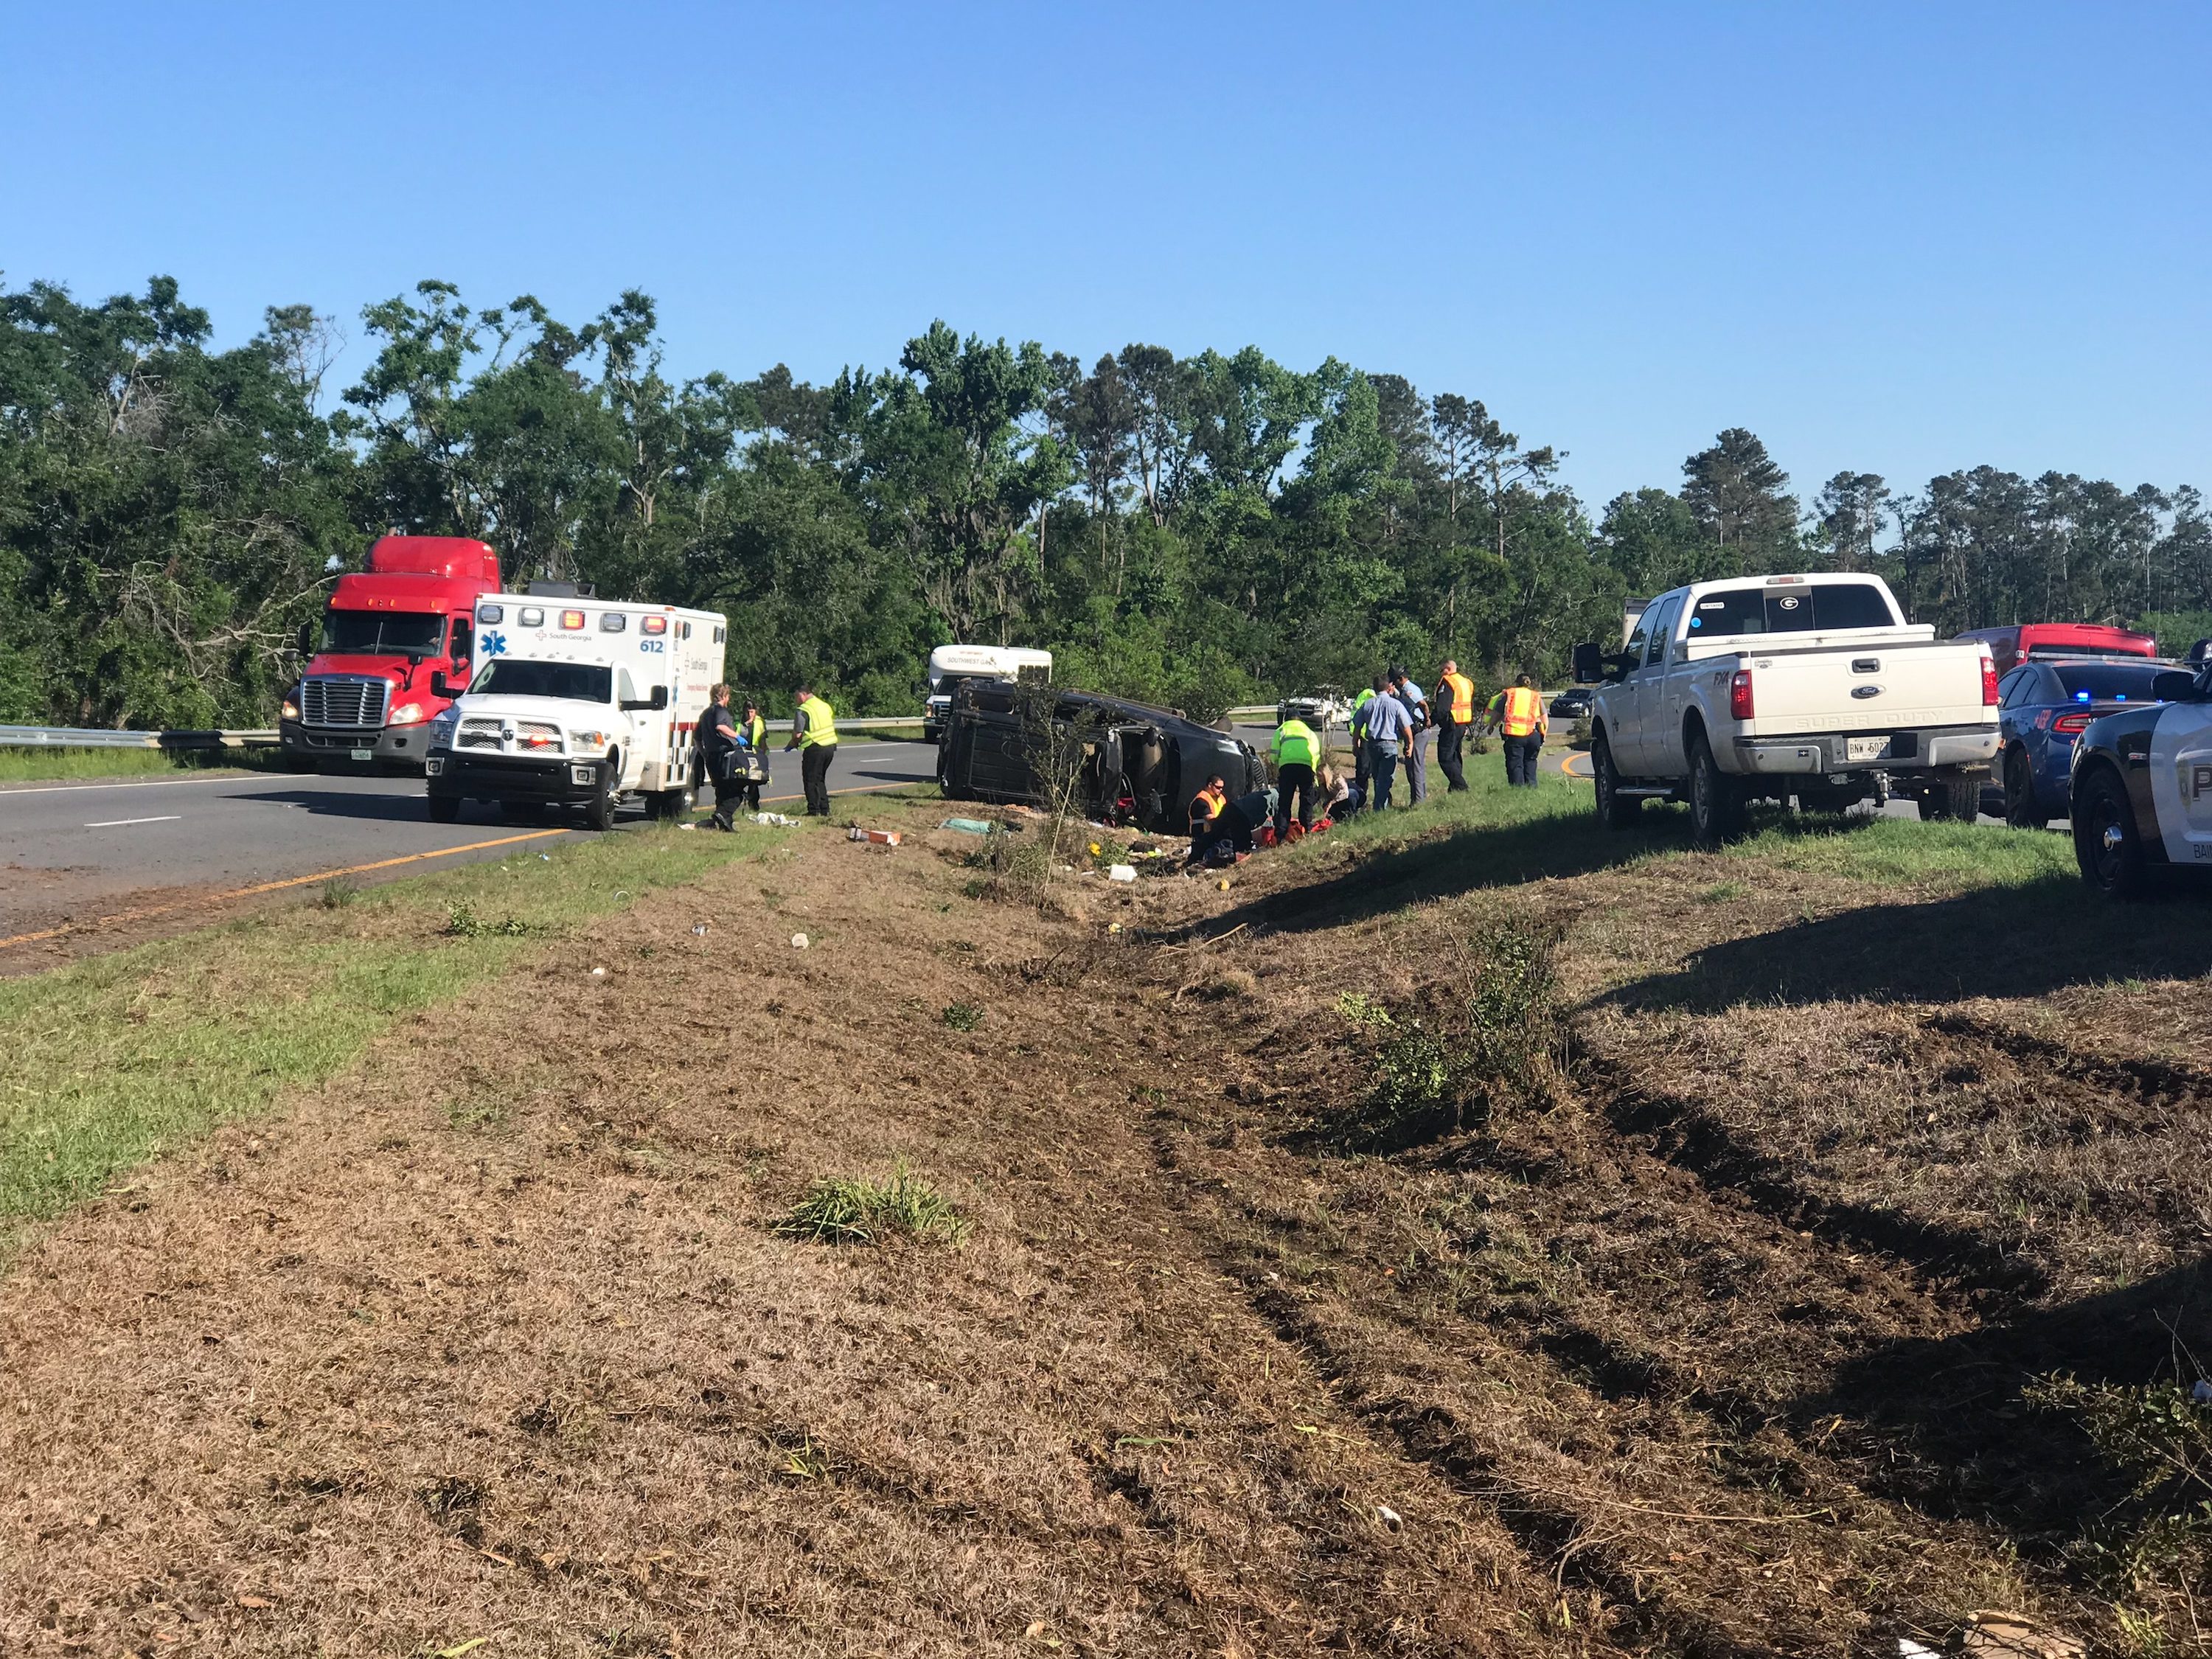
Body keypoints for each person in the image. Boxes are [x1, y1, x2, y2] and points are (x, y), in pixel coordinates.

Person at [1486, 672, 1549, 787]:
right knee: (1531, 762)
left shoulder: (1510, 694)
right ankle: (1532, 787)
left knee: (1515, 764)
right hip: (1533, 734)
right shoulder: (1535, 695)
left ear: (1516, 683)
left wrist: (1491, 726)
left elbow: (1497, 713)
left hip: (1514, 734)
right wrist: (1544, 734)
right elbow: (1544, 717)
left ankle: (1518, 789)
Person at [785, 681, 839, 816]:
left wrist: (792, 744)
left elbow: (798, 734)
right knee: (819, 779)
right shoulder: (824, 705)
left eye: (796, 696)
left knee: (810, 780)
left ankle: (813, 810)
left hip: (815, 747)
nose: (796, 700)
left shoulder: (804, 709)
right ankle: (824, 809)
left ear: (802, 694)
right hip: (830, 746)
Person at [1361, 671, 1411, 808]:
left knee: (1377, 777)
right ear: (1389, 687)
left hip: (1372, 745)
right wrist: (1410, 744)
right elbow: (1406, 727)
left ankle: (1382, 804)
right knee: (1386, 778)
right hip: (1389, 744)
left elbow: (1358, 725)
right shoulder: (1395, 704)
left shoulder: (1367, 704)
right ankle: (1379, 808)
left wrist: (1355, 743)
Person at [1270, 709, 1321, 839]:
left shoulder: (1281, 730)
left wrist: (1277, 763)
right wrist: (1313, 769)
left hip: (1287, 767)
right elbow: (1316, 753)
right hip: (1306, 767)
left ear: (1286, 719)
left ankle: (1281, 832)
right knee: (1306, 798)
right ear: (1300, 719)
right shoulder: (1309, 731)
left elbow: (1274, 753)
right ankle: (1306, 827)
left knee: (1285, 800)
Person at [700, 684, 743, 830]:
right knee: (736, 792)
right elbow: (720, 726)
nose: (728, 699)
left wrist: (704, 753)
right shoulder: (721, 711)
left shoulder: (705, 714)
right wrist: (737, 736)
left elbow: (697, 737)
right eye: (728, 696)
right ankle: (722, 814)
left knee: (721, 790)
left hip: (711, 756)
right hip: (723, 756)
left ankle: (725, 824)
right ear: (724, 696)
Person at [1389, 667, 1431, 804]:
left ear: (1401, 679)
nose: (1393, 684)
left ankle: (1419, 801)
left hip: (1418, 730)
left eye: (1395, 681)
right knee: (1411, 766)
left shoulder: (1409, 689)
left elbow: (1423, 704)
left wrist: (1427, 719)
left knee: (1415, 767)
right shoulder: (1402, 690)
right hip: (1413, 731)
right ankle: (1416, 798)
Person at [1434, 659, 1476, 793]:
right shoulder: (1466, 682)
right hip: (1462, 723)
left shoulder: (1448, 682)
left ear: (1447, 669)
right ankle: (1454, 790)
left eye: (1441, 670)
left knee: (1445, 758)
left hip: (1451, 723)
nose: (1441, 673)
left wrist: (1431, 720)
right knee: (1455, 756)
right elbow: (1470, 704)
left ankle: (1461, 786)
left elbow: (1442, 708)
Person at [735, 695, 769, 813]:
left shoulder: (760, 722)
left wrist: (763, 755)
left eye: (752, 712)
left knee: (754, 780)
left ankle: (754, 804)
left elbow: (763, 740)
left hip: (756, 754)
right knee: (740, 779)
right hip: (742, 754)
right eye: (748, 712)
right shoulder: (738, 723)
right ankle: (738, 802)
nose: (750, 715)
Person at [1186, 773, 1230, 864]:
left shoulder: (1221, 799)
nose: (1221, 790)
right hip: (1203, 837)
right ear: (1210, 785)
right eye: (1218, 787)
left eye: (1222, 788)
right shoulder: (1201, 800)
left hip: (1217, 835)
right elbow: (1210, 819)